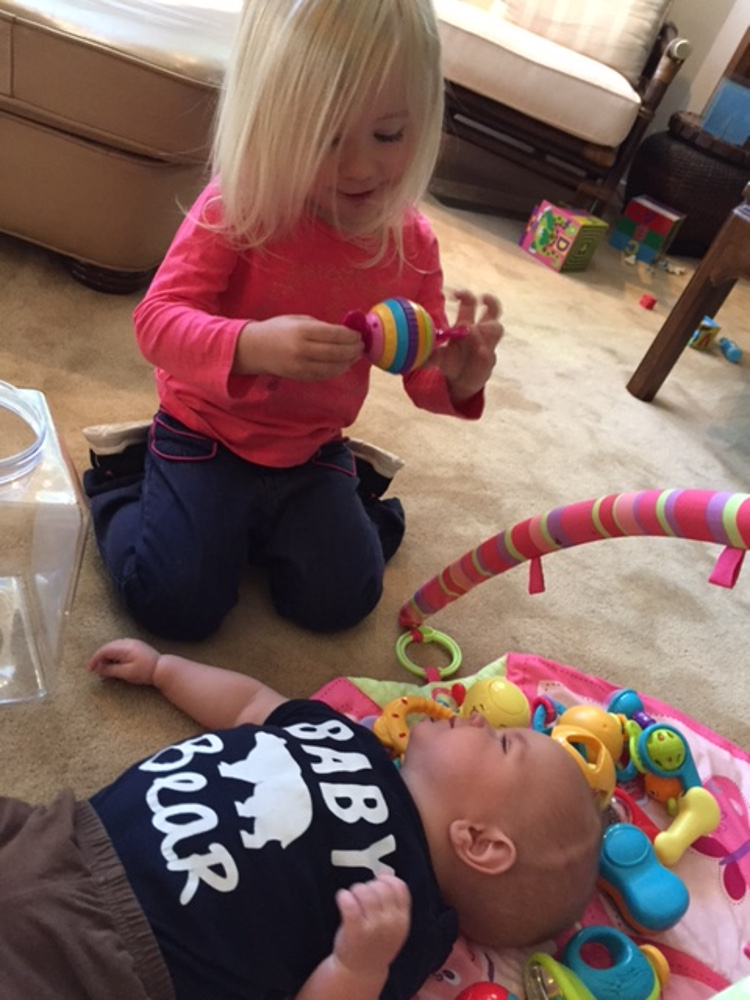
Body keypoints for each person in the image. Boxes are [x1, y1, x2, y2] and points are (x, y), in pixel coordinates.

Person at [82, 0, 503, 642]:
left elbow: (419, 370)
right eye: (325, 138)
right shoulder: (238, 206)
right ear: (268, 121)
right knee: (175, 605)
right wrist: (251, 345)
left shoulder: (411, 243)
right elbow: (157, 323)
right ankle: (123, 483)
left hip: (312, 448)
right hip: (204, 433)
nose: (359, 169)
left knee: (342, 601)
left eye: (388, 135)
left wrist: (458, 377)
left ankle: (331, 503)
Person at [0, 638, 603, 1000]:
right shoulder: (350, 737)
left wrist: (355, 965)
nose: (476, 718)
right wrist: (165, 669)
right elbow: (250, 704)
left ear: (479, 843)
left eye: (501, 742)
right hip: (65, 833)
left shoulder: (406, 918)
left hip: (120, 956)